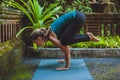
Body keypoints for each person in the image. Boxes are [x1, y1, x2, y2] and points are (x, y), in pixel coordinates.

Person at [30, 10, 100, 70]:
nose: (36, 45)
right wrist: (65, 59)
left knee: (64, 42)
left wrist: (67, 66)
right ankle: (88, 37)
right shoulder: (50, 34)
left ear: (39, 39)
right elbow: (65, 46)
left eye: (36, 43)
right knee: (64, 40)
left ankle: (89, 38)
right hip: (78, 16)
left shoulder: (51, 36)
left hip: (78, 18)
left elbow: (66, 48)